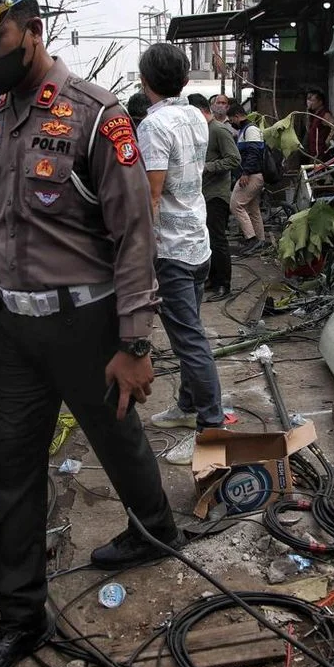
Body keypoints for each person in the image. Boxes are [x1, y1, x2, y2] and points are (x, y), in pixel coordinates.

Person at [0, 0, 179, 667]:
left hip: (88, 324)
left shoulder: (99, 116)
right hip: (13, 330)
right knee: (14, 471)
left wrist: (135, 340)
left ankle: (155, 527)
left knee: (119, 437)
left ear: (33, 31)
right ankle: (20, 617)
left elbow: (135, 235)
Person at [137, 44, 225, 467]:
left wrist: (137, 250)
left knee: (189, 340)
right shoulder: (195, 114)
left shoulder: (154, 126)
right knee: (191, 332)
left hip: (172, 248)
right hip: (198, 241)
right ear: (186, 81)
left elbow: (151, 195)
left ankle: (211, 430)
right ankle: (189, 405)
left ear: (144, 82)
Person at [187, 93, 239, 302]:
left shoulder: (218, 130)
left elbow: (234, 159)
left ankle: (224, 285)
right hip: (203, 194)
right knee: (207, 240)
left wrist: (208, 167)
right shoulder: (203, 130)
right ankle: (212, 278)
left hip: (217, 195)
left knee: (218, 240)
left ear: (200, 111)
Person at [227, 103, 267, 255]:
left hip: (251, 175)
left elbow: (253, 153)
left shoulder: (251, 130)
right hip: (253, 174)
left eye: (231, 120)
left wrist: (246, 173)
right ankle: (260, 240)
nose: (232, 123)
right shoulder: (246, 130)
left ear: (237, 116)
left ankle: (252, 239)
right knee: (252, 209)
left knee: (236, 204)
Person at [305, 87, 334, 160]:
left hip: (321, 153)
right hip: (313, 152)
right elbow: (308, 128)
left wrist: (327, 142)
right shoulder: (313, 114)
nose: (310, 103)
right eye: (308, 100)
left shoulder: (324, 115)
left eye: (313, 100)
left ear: (320, 102)